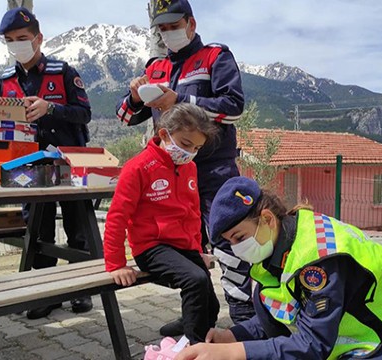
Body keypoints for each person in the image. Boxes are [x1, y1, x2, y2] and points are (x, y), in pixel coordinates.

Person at [174, 176, 382, 360]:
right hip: (365, 340)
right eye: (229, 242)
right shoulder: (277, 250)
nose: (237, 248)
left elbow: (311, 346)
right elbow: (284, 318)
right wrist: (233, 336)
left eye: (239, 237)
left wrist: (230, 354)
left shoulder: (317, 260)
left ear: (266, 219)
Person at [116, 0, 254, 335]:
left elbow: (234, 108)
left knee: (228, 241)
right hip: (172, 172)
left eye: (173, 26)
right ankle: (198, 315)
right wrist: (136, 97)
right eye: (162, 28)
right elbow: (124, 117)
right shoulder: (156, 66)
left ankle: (245, 321)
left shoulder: (215, 57)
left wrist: (180, 99)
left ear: (190, 24)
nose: (168, 33)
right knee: (184, 245)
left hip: (215, 170)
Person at [0, 7, 93, 319]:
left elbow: (84, 114)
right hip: (27, 167)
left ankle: (81, 290)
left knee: (78, 229)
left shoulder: (63, 71)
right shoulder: (2, 83)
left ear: (38, 39)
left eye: (22, 38)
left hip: (67, 163)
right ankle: (47, 294)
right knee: (38, 231)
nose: (16, 45)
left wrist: (51, 109)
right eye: (10, 40)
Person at [104, 103, 221, 344]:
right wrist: (116, 265)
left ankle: (190, 323)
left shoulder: (190, 167)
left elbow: (193, 213)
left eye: (197, 148)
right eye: (186, 144)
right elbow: (117, 216)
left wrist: (200, 251)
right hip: (151, 246)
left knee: (211, 306)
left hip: (183, 246)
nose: (189, 152)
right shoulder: (137, 168)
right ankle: (193, 348)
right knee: (195, 280)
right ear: (164, 134)